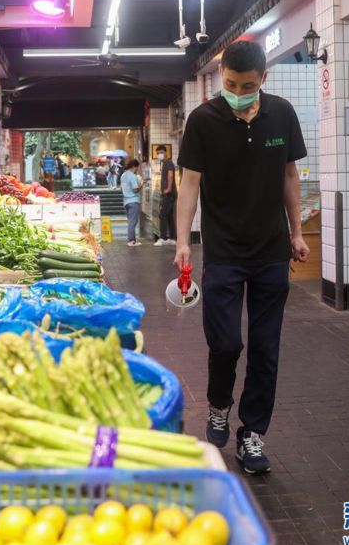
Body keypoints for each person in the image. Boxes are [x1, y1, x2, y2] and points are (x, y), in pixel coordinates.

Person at [174, 41, 310, 474]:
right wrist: (182, 241)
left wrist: (297, 231)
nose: (237, 91)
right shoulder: (202, 120)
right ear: (221, 76)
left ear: (263, 79)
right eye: (230, 84)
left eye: (246, 85)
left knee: (266, 349)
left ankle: (252, 434)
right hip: (224, 253)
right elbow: (190, 184)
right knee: (227, 343)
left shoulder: (282, 114)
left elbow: (290, 175)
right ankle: (218, 405)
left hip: (270, 250)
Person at [154, 145, 177, 246]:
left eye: (161, 152)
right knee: (169, 216)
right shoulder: (164, 163)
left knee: (162, 215)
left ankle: (162, 238)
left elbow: (170, 175)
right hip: (170, 194)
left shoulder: (168, 163)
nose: (160, 154)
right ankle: (172, 238)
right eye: (158, 153)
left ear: (166, 152)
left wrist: (168, 188)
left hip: (169, 194)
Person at [120, 159, 143, 247]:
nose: (137, 169)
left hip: (126, 201)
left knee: (130, 221)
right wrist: (141, 185)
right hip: (133, 201)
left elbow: (121, 188)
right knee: (133, 222)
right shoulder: (132, 176)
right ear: (134, 166)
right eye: (137, 167)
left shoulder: (123, 175)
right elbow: (135, 190)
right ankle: (131, 240)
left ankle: (131, 240)